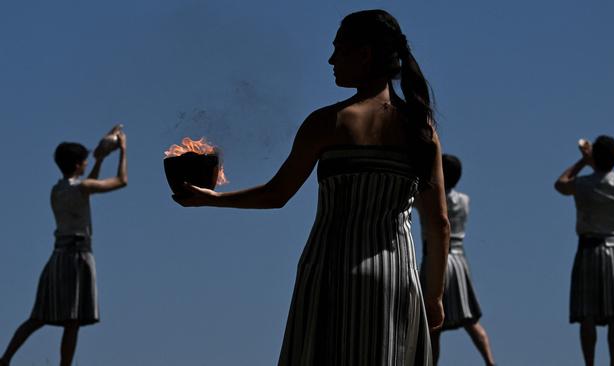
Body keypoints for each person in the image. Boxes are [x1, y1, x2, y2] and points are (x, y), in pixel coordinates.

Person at [174, 9, 450, 365]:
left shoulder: (327, 123)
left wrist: (212, 199)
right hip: (396, 279)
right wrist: (435, 297)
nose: (331, 59)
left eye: (339, 49)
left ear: (365, 54)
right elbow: (438, 223)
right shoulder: (421, 130)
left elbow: (276, 195)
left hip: (331, 274)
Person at [0, 128, 127, 366]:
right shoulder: (82, 188)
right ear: (79, 165)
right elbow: (122, 181)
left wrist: (100, 159)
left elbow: (88, 184)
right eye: (85, 161)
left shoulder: (57, 190)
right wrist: (123, 150)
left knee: (38, 317)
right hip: (78, 258)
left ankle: (5, 358)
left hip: (58, 257)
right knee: (73, 321)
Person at [554, 135, 614, 366]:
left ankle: (590, 363)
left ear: (595, 155)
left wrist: (583, 162)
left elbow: (560, 184)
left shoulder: (583, 185)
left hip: (589, 248)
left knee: (587, 313)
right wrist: (596, 163)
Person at [424, 154, 496, 365]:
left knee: (434, 324)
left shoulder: (429, 198)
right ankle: (490, 361)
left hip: (436, 259)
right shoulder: (465, 200)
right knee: (469, 318)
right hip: (459, 258)